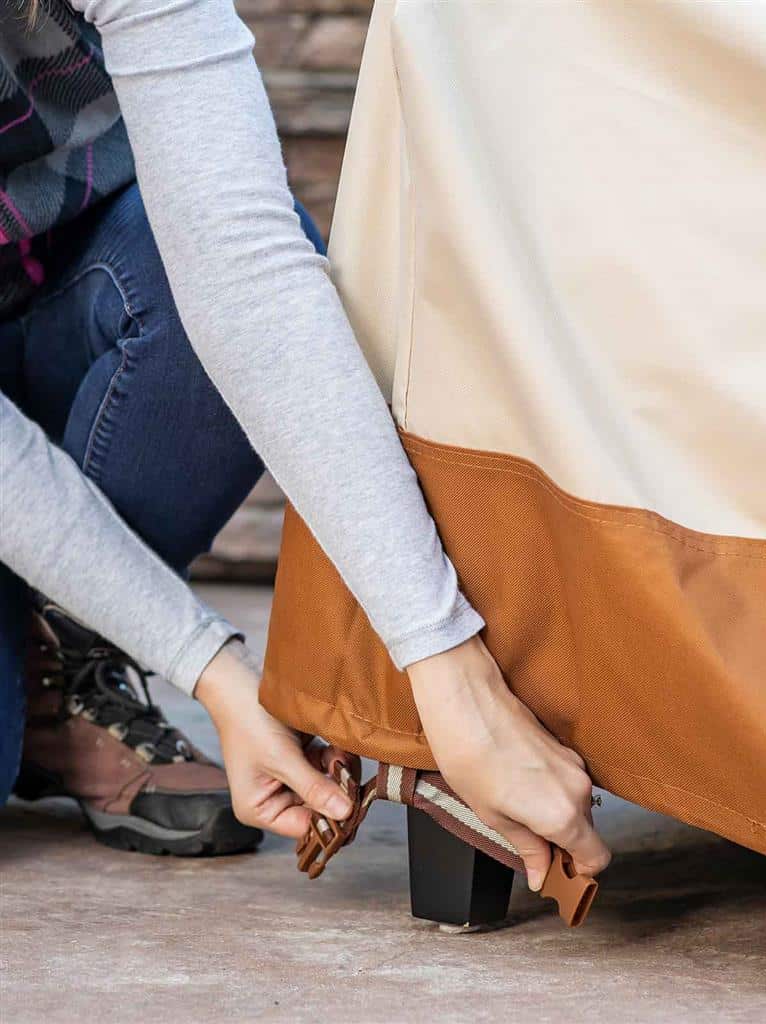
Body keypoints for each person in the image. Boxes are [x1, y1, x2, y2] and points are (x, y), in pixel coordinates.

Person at [0, 0, 609, 888]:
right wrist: (213, 669)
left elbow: (244, 276)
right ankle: (44, 666)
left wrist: (450, 671)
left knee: (200, 281)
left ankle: (62, 659)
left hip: (82, 279)